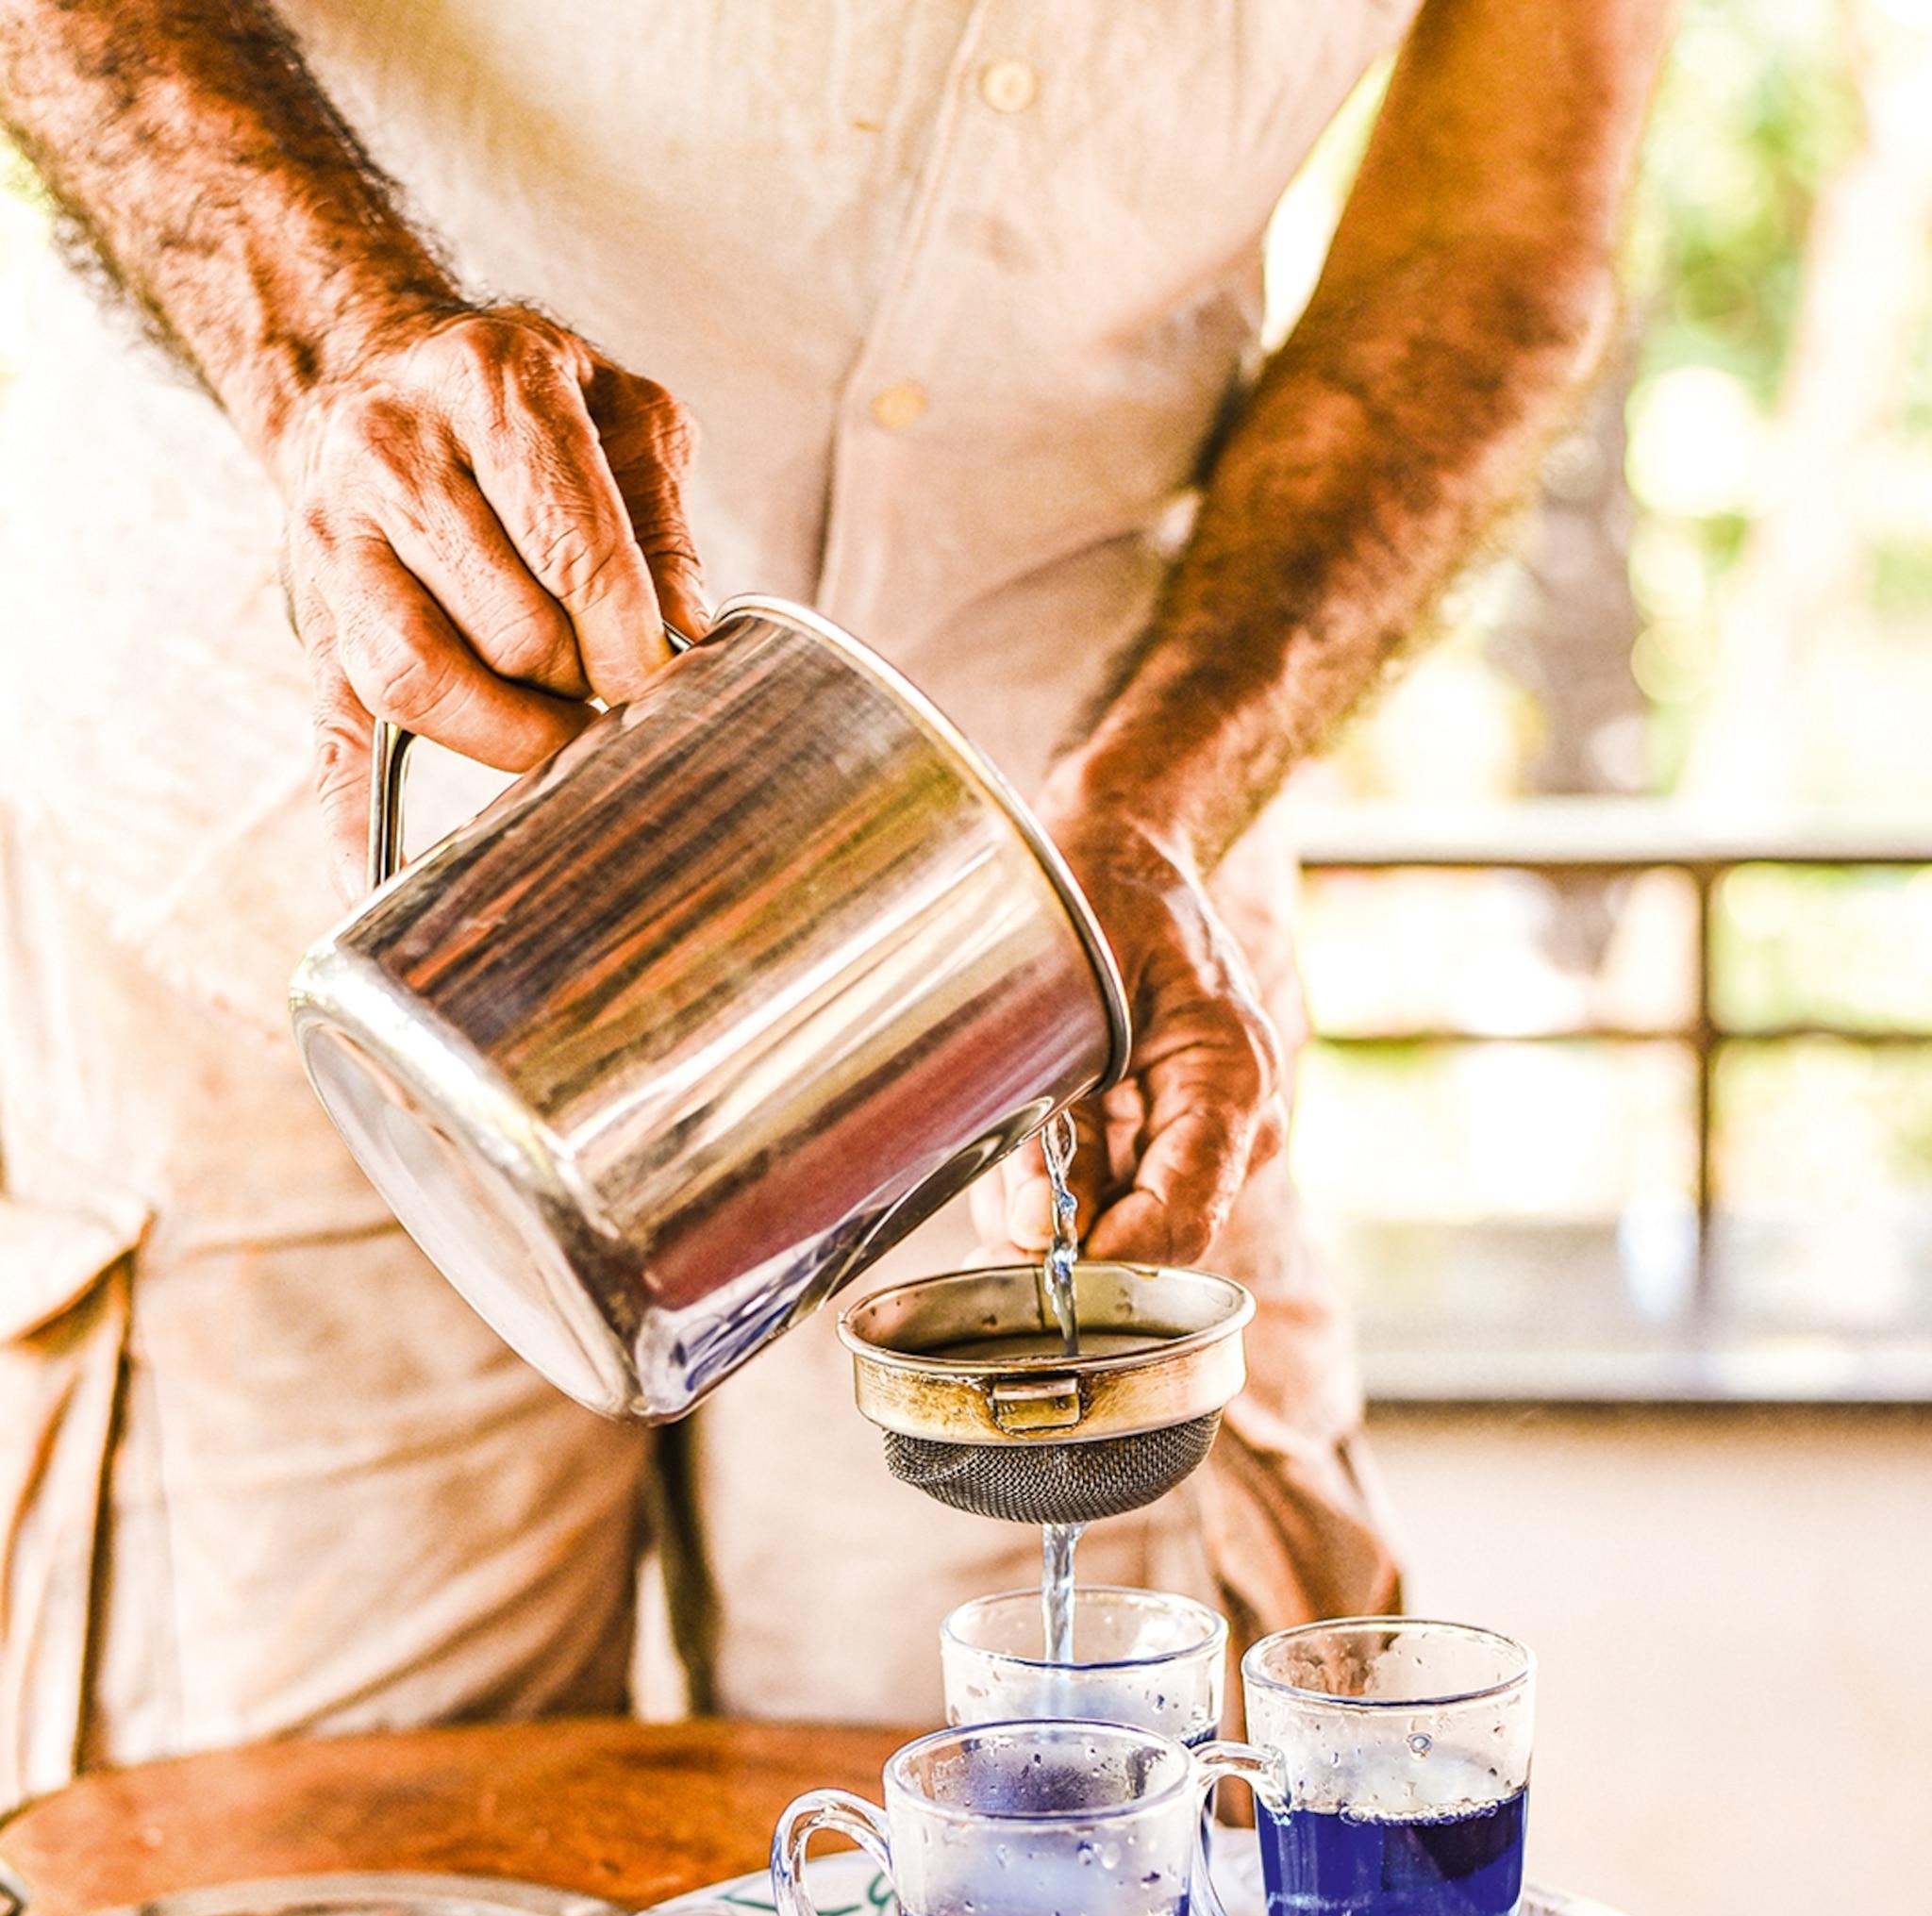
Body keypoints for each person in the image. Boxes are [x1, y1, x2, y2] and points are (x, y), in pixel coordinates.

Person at [0, 0, 1670, 1800]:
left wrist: (1163, 798)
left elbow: (1490, 245)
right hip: (308, 835)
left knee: (1086, 1853)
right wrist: (339, 340)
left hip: (1057, 907)